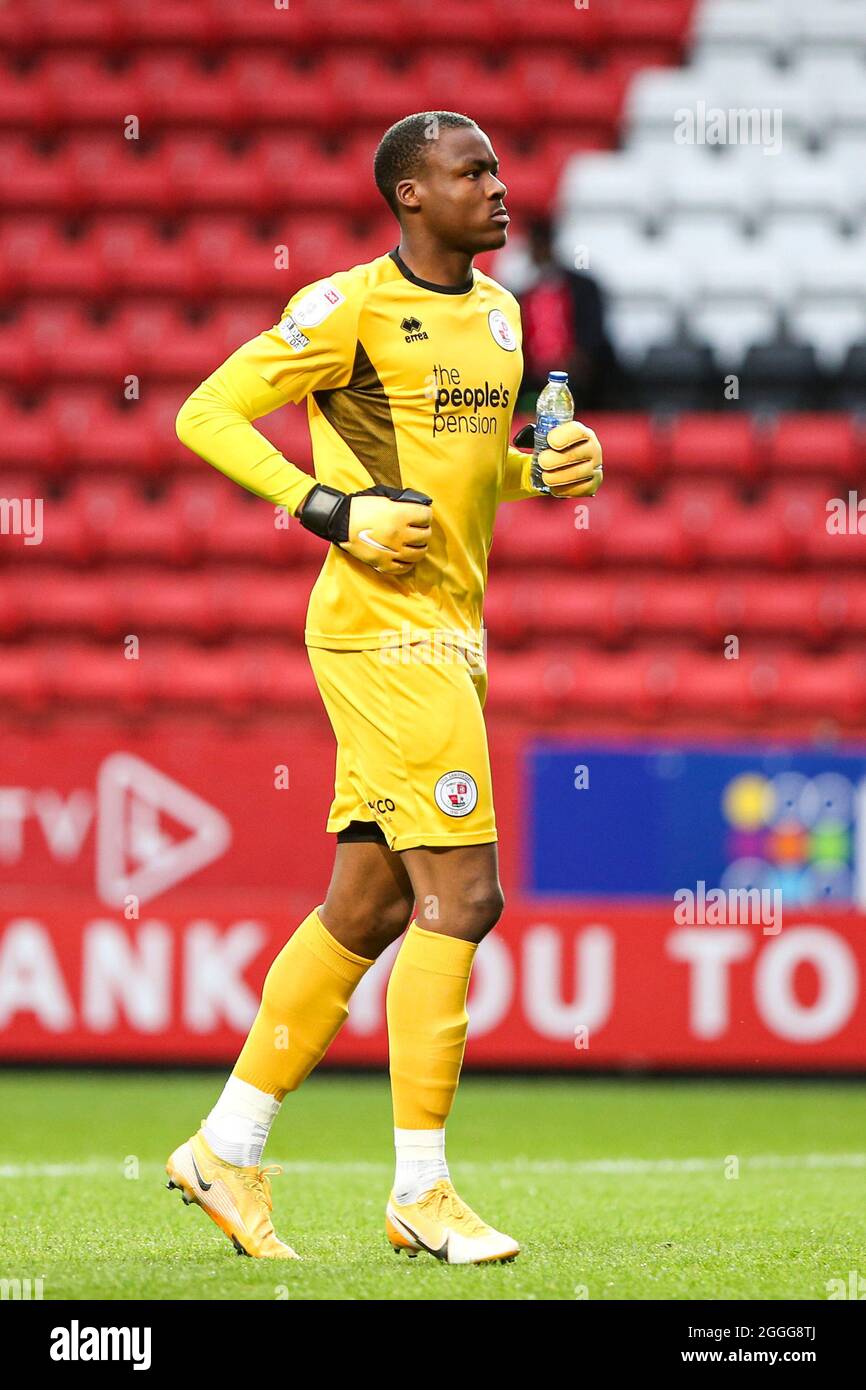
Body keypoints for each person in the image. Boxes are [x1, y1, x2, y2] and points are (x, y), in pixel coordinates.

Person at [167, 110, 603, 1266]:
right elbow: (203, 409)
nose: (499, 190)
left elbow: (468, 476)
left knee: (363, 909)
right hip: (379, 633)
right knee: (462, 899)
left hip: (451, 631)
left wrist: (540, 471)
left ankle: (224, 1147)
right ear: (411, 196)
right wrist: (324, 506)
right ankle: (422, 1187)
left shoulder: (503, 315)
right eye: (471, 174)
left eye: (500, 169)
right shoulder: (346, 309)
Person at [515, 215, 620, 413]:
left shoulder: (583, 288)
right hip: (532, 380)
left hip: (580, 379)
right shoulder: (522, 294)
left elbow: (593, 331)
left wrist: (577, 359)